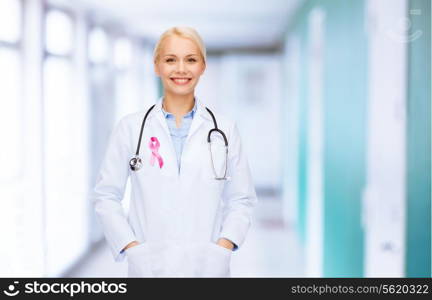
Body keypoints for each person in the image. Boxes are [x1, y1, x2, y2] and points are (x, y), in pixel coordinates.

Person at [92, 26, 257, 277]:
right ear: (156, 65)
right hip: (149, 267)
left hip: (207, 266)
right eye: (170, 60)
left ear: (203, 66)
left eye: (191, 60)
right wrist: (131, 247)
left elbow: (241, 199)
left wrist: (223, 247)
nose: (181, 69)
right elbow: (106, 195)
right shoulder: (131, 128)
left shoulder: (224, 129)